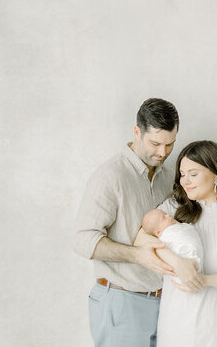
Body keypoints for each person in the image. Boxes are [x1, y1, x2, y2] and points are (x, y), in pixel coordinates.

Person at [74, 98, 201, 347]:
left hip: (165, 302)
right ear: (137, 132)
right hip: (122, 302)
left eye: (170, 144)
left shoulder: (169, 177)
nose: (163, 152)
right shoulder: (110, 176)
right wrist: (137, 255)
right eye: (155, 143)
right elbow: (82, 240)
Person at [135, 140, 217, 347]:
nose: (185, 181)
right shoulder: (172, 209)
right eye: (182, 174)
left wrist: (203, 280)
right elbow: (140, 239)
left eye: (193, 174)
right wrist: (178, 262)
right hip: (178, 332)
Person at [141, 209, 204, 280]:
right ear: (158, 232)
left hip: (195, 259)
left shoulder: (180, 226)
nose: (169, 215)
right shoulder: (166, 236)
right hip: (184, 262)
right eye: (164, 218)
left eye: (166, 214)